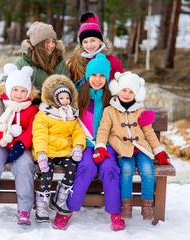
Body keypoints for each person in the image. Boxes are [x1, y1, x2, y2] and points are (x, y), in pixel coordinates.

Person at [51, 53, 124, 231]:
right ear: (87, 76)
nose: (97, 80)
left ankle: (115, 213)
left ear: (107, 78)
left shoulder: (112, 98)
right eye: (94, 75)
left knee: (110, 169)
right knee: (85, 168)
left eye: (101, 76)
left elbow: (133, 107)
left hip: (106, 145)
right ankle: (66, 210)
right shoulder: (78, 95)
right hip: (84, 144)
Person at [95, 71, 170, 221]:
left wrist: (159, 151)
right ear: (117, 90)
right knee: (127, 170)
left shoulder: (140, 111)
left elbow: (149, 133)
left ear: (137, 94)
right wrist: (101, 146)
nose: (127, 94)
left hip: (141, 149)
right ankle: (126, 205)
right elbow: (103, 130)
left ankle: (147, 205)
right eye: (124, 90)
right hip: (123, 149)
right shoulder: (110, 111)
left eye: (131, 92)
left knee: (148, 171)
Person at [0, 64, 38, 225]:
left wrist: (21, 144)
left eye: (23, 91)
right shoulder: (1, 107)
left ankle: (24, 209)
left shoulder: (31, 110)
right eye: (15, 90)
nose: (19, 94)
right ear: (9, 90)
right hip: (0, 144)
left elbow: (33, 130)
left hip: (20, 147)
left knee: (25, 166)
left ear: (28, 92)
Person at [31, 74, 86, 224]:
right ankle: (42, 204)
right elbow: (39, 134)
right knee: (46, 171)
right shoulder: (43, 115)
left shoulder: (71, 115)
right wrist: (41, 153)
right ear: (55, 100)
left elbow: (78, 132)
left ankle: (60, 198)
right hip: (46, 151)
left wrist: (78, 147)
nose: (65, 101)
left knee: (72, 167)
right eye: (61, 98)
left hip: (63, 151)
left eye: (67, 98)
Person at [0, 21, 71, 119]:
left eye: (53, 41)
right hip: (27, 112)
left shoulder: (59, 62)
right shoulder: (23, 62)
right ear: (38, 44)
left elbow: (69, 86)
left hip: (53, 112)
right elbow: (4, 83)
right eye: (47, 42)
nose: (52, 45)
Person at [65, 12, 124, 83]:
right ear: (81, 44)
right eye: (85, 42)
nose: (89, 45)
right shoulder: (75, 63)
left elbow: (122, 85)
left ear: (100, 41)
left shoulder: (113, 62)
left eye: (93, 40)